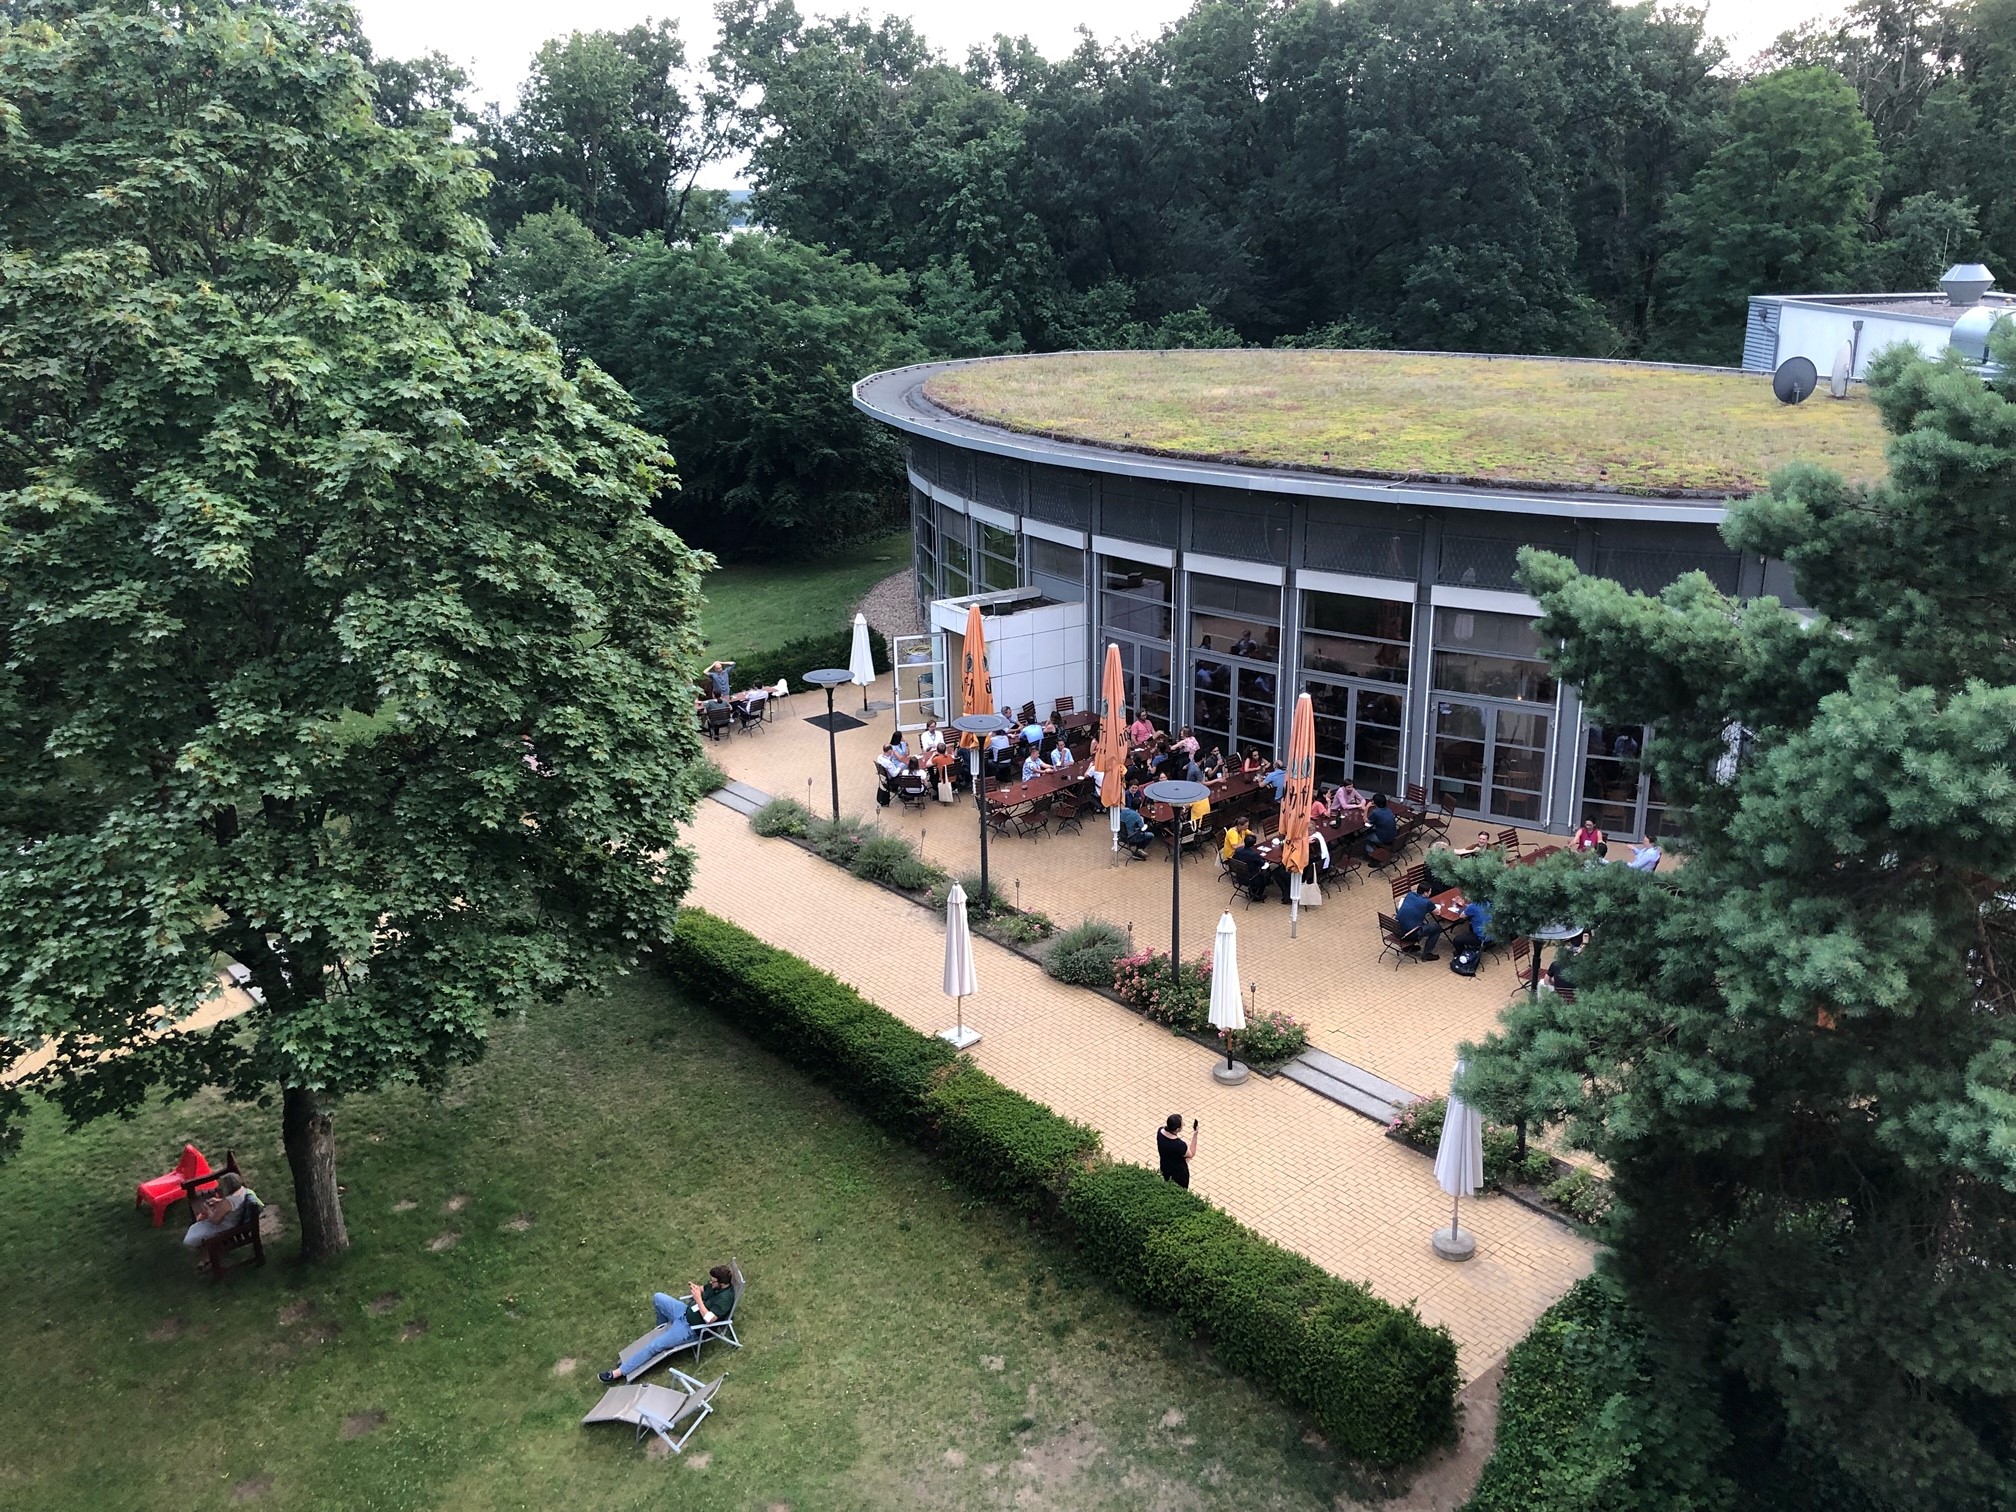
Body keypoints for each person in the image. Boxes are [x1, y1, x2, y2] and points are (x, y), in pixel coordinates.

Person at [600, 1266, 737, 1383]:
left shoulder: (725, 1299)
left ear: (722, 1283)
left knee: (654, 1346)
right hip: (683, 1313)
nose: (710, 1283)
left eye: (713, 1281)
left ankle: (619, 1372)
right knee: (658, 1297)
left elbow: (709, 1319)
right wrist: (696, 1289)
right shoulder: (715, 1286)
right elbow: (703, 1289)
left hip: (691, 1329)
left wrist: (698, 1299)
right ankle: (663, 1329)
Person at [183, 1171, 258, 1251]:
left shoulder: (229, 1201)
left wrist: (207, 1208)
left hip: (226, 1227)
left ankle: (206, 1252)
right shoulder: (243, 1191)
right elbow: (232, 1205)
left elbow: (215, 1220)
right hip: (235, 1220)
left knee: (192, 1236)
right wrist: (219, 1201)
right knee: (195, 1227)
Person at [1231, 835, 1290, 904]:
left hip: (1240, 876)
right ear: (1253, 844)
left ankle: (1254, 891)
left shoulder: (1238, 851)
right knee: (1268, 873)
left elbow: (1234, 859)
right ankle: (1257, 895)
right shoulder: (1253, 855)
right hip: (1252, 879)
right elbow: (1263, 865)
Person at [1394, 880, 1445, 960]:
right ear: (1425, 893)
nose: (1430, 893)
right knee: (1437, 927)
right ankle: (1427, 954)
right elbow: (1438, 912)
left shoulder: (1410, 895)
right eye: (1429, 892)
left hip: (1398, 929)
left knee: (1414, 920)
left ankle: (1408, 947)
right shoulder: (1427, 902)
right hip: (1410, 934)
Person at [1157, 1114, 1198, 1186]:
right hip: (1179, 1175)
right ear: (1177, 1129)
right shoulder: (1179, 1145)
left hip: (1165, 1168)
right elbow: (1191, 1154)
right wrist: (1195, 1134)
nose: (1184, 1124)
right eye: (1182, 1124)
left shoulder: (1160, 1132)